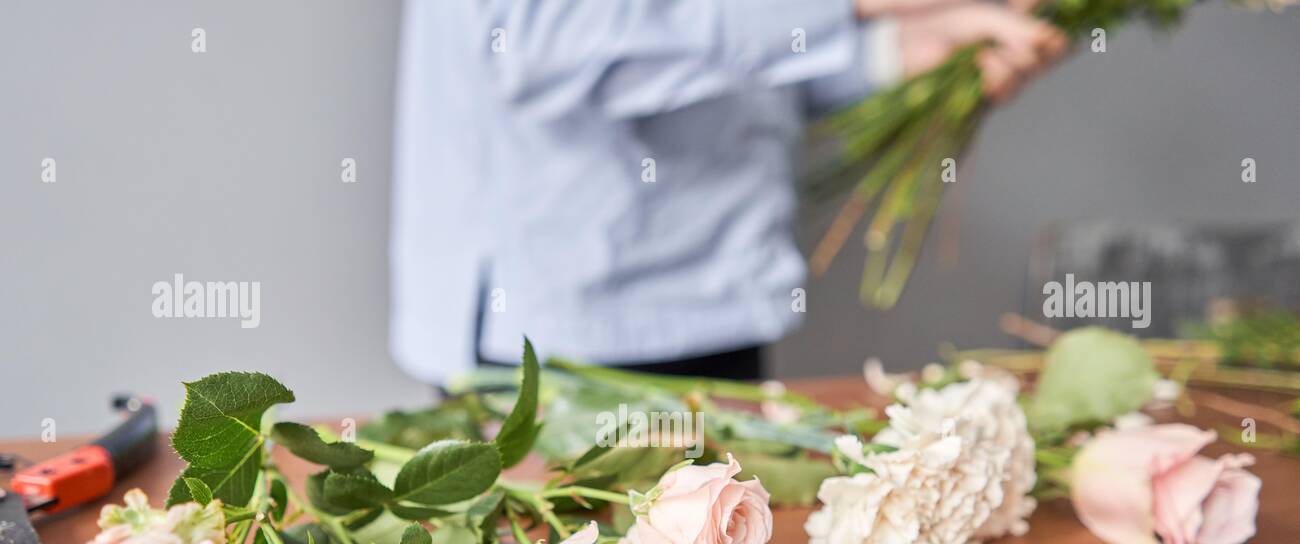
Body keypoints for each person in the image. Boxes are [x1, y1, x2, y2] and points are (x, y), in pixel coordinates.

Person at [390, 0, 1065, 383]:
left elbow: (733, 65)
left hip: (722, 305)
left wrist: (896, 50)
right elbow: (538, 42)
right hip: (559, 339)